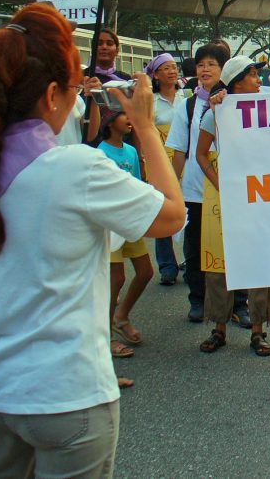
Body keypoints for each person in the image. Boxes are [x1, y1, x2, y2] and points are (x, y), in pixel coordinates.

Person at [0, 4, 185, 477]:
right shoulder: (74, 168)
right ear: (53, 94)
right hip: (66, 393)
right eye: (76, 91)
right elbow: (171, 215)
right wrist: (142, 124)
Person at [195, 56, 270, 357]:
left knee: (258, 262)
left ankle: (258, 330)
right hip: (226, 199)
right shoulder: (215, 112)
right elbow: (202, 154)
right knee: (219, 265)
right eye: (252, 75)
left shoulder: (268, 105)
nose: (258, 81)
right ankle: (219, 329)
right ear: (237, 80)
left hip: (259, 195)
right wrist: (220, 184)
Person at [166, 43, 249, 324]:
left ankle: (239, 303)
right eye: (201, 64)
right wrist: (169, 189)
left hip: (234, 190)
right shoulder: (188, 105)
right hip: (196, 190)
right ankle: (198, 300)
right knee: (195, 248)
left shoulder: (239, 101)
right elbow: (180, 150)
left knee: (235, 247)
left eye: (212, 64)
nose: (205, 69)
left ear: (224, 70)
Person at [98, 111, 153, 357]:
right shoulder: (100, 153)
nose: (129, 118)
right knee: (115, 279)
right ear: (109, 122)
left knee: (145, 272)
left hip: (129, 220)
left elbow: (137, 185)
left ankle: (121, 317)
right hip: (109, 224)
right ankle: (105, 336)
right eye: (122, 115)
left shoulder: (130, 151)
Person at [147, 52, 182, 285]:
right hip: (160, 163)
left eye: (174, 67)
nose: (171, 71)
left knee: (189, 212)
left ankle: (189, 261)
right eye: (165, 68)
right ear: (156, 75)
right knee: (163, 212)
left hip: (184, 161)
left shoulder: (187, 97)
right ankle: (167, 266)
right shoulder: (151, 101)